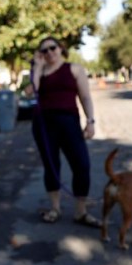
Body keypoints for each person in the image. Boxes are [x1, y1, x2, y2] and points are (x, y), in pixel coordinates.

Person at [26, 36, 101, 227]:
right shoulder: (39, 72)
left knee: (81, 164)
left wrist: (90, 121)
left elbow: (85, 96)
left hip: (69, 122)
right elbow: (32, 90)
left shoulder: (74, 69)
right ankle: (55, 208)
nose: (49, 53)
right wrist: (38, 68)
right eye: (44, 50)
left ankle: (80, 211)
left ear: (60, 48)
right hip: (43, 123)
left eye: (52, 48)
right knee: (52, 166)